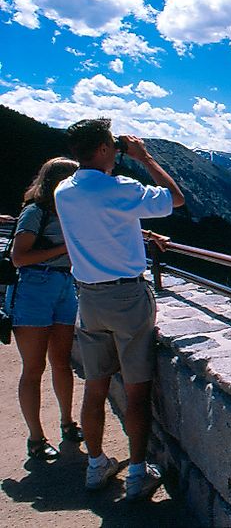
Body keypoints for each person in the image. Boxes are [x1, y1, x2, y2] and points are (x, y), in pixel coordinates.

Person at [55, 119, 184, 500]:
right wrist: (145, 158)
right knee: (136, 390)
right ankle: (137, 474)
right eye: (112, 143)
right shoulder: (122, 188)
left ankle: (96, 467)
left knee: (95, 388)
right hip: (128, 298)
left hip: (89, 297)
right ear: (102, 149)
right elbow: (175, 199)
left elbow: (100, 225)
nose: (116, 148)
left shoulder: (64, 190)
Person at [6, 157, 83, 461]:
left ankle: (67, 422)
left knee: (61, 362)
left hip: (63, 286)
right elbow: (19, 257)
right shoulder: (35, 212)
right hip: (34, 288)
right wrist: (63, 249)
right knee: (34, 367)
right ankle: (36, 438)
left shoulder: (68, 213)